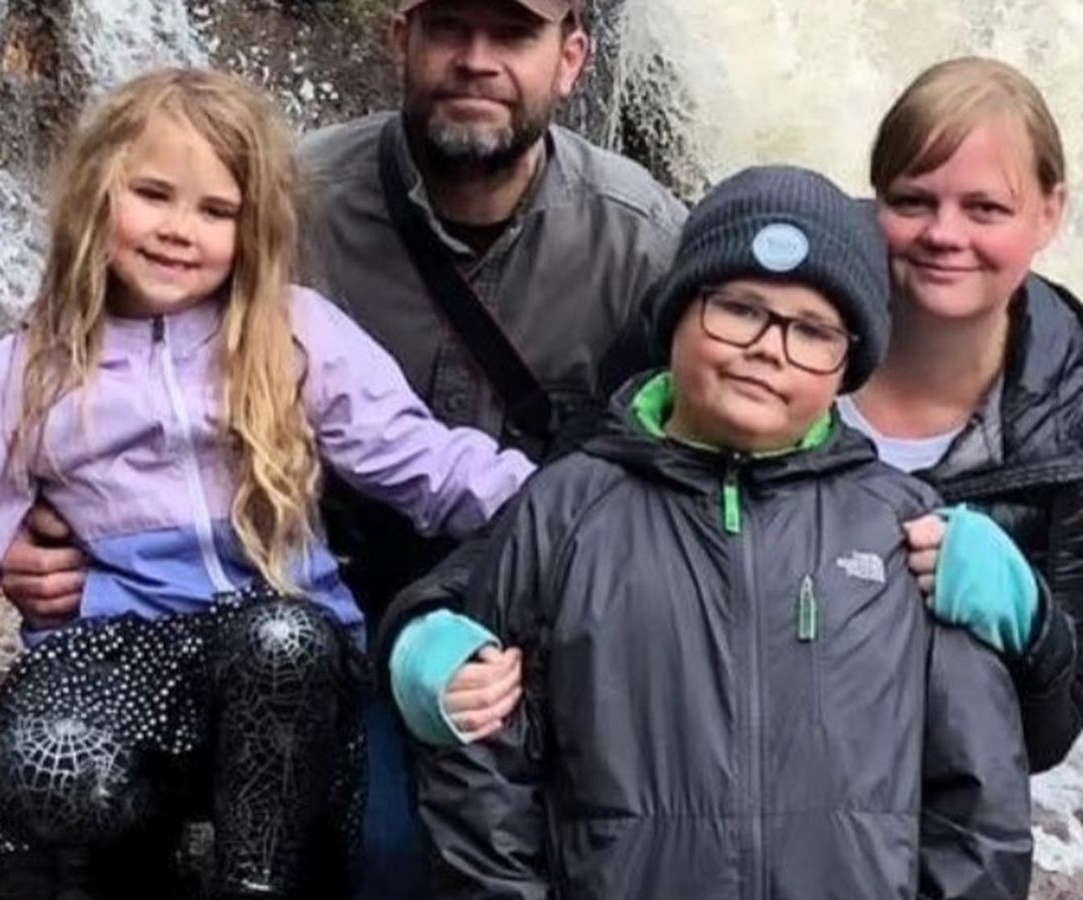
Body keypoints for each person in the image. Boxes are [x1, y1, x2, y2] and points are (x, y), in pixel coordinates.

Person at [0, 3, 688, 896]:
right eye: (450, 26)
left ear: (572, 57)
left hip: (541, 608)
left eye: (514, 34)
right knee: (377, 860)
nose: (476, 60)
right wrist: (39, 517)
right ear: (402, 37)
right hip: (320, 614)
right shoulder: (282, 199)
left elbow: (727, 430)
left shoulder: (643, 243)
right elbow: (93, 357)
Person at [0, 68, 534, 900]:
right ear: (94, 193)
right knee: (52, 763)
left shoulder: (293, 333)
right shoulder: (24, 376)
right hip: (115, 654)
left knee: (282, 641)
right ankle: (131, 867)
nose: (178, 231)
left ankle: (258, 880)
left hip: (283, 658)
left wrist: (571, 501)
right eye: (153, 194)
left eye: (216, 211)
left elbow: (428, 464)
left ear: (252, 227)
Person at [412, 165, 1032, 899]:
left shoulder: (910, 533)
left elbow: (980, 801)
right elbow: (482, 776)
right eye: (738, 309)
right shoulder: (566, 509)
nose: (768, 348)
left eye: (812, 331)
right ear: (676, 314)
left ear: (849, 365)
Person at [841, 56, 1083, 771]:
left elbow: (1053, 737)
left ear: (1050, 212)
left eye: (985, 209)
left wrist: (1032, 625)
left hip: (942, 800)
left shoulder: (1073, 424)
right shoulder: (775, 330)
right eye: (913, 201)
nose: (944, 234)